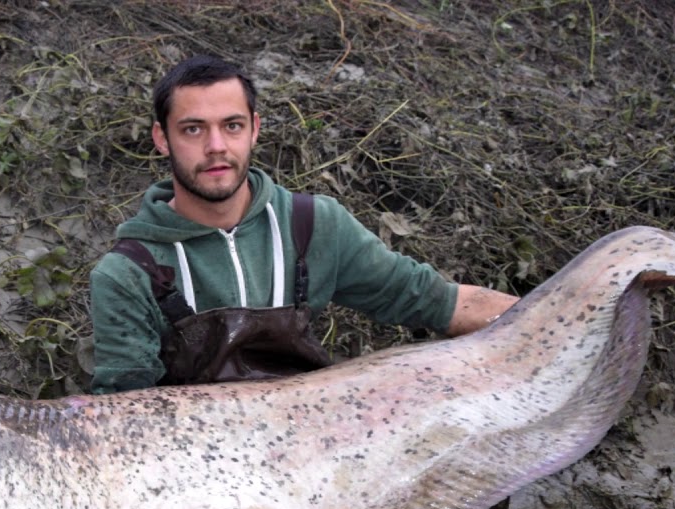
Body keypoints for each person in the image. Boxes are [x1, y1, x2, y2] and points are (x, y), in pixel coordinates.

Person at [88, 55, 519, 394]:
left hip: (316, 447)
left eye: (231, 126)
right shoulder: (128, 274)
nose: (216, 146)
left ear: (254, 129)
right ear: (162, 138)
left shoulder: (313, 225)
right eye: (193, 129)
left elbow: (431, 300)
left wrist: (554, 322)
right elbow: (122, 409)